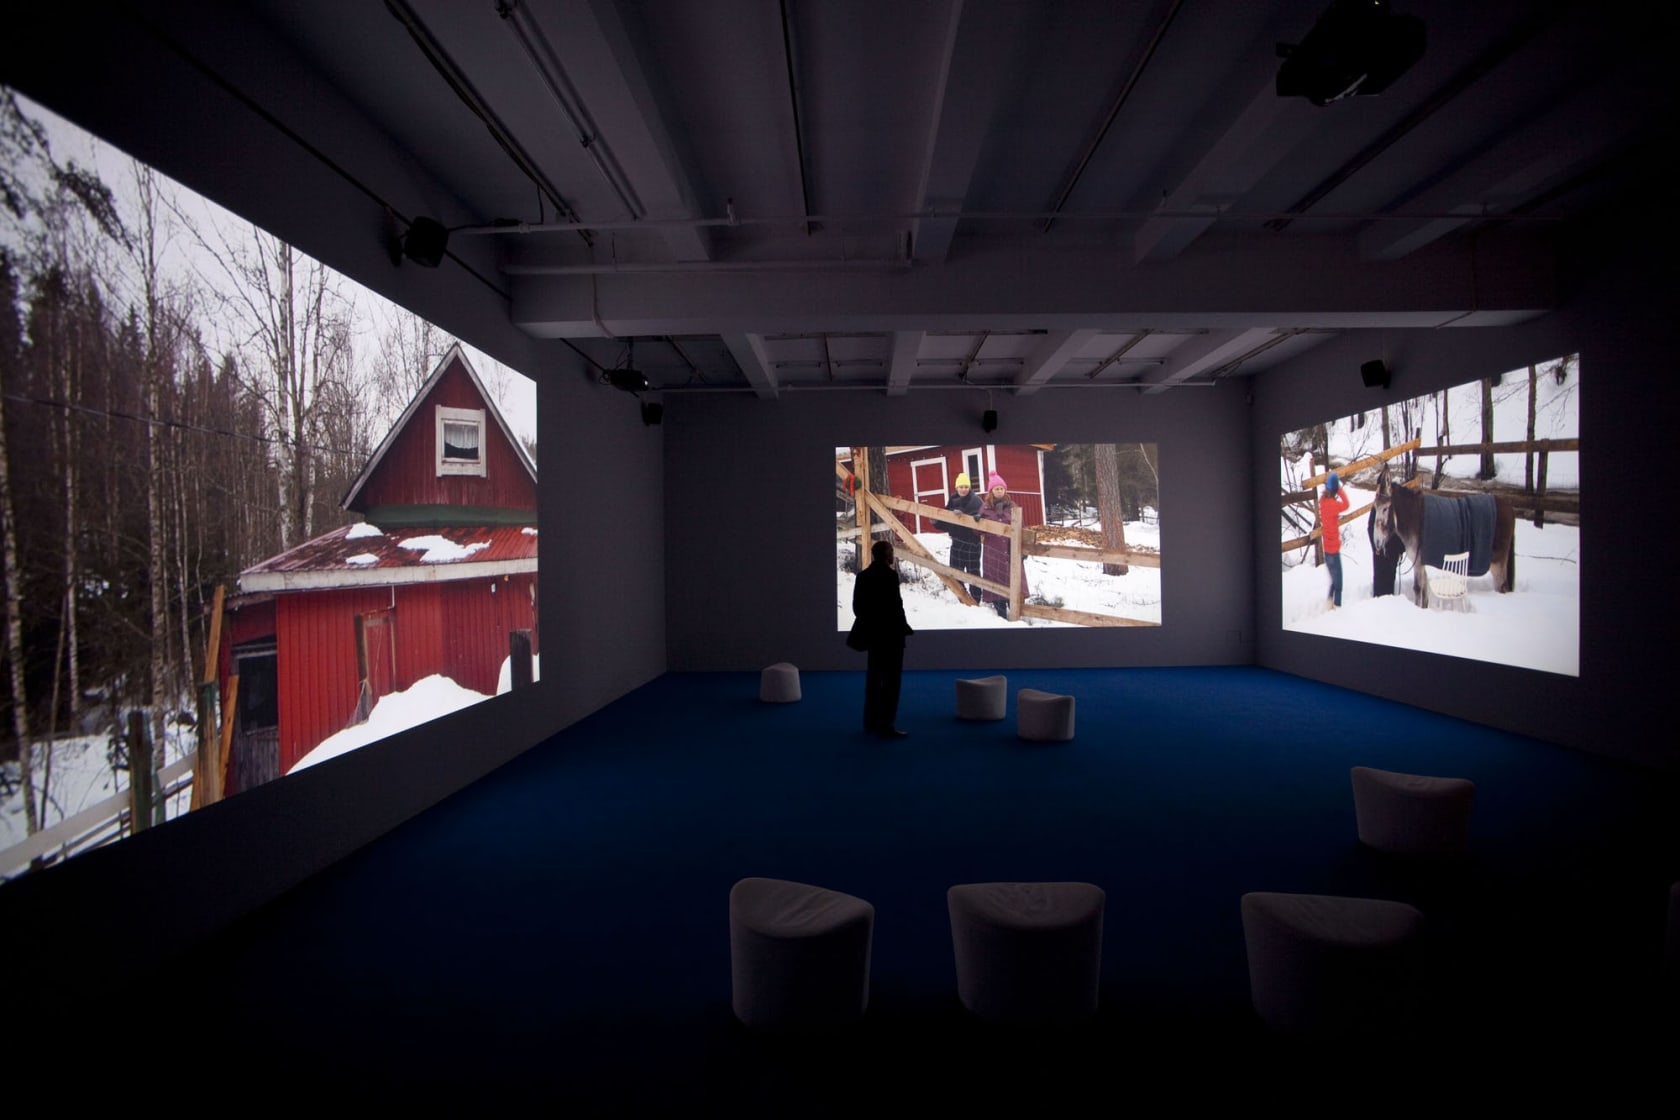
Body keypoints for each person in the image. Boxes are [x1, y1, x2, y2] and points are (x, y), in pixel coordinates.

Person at [851, 538, 913, 737]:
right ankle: (886, 725)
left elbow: (857, 608)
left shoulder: (863, 576)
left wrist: (871, 622)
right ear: (888, 555)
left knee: (874, 678)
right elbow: (896, 606)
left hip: (873, 636)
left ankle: (870, 722)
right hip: (891, 636)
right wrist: (903, 628)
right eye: (891, 551)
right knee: (891, 682)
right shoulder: (890, 576)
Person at [978, 472, 1028, 619]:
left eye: (1001, 488)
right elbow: (976, 530)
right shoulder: (985, 508)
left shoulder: (1013, 507)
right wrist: (977, 521)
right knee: (996, 578)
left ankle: (1015, 613)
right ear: (991, 491)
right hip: (993, 551)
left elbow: (1022, 527)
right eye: (996, 489)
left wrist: (1024, 548)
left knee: (1014, 579)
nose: (999, 491)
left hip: (1011, 550)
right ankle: (1000, 615)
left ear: (1005, 490)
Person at [944, 472, 984, 601]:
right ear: (956, 488)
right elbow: (945, 516)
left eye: (966, 486)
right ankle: (962, 596)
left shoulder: (976, 500)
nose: (963, 489)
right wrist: (948, 515)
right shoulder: (952, 499)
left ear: (970, 488)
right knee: (956, 570)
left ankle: (976, 598)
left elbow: (984, 514)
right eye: (961, 487)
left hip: (973, 541)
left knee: (974, 571)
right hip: (957, 540)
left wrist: (978, 518)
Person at [1319, 470, 1350, 608]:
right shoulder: (1334, 505)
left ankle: (1329, 603)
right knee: (1339, 584)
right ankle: (1337, 608)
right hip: (1334, 552)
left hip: (1327, 551)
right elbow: (1347, 504)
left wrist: (1334, 488)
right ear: (1335, 489)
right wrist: (1340, 491)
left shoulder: (1323, 502)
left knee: (1334, 579)